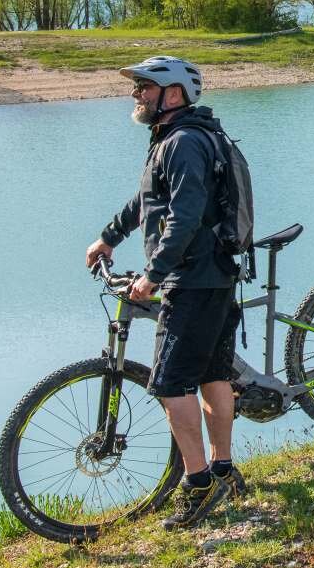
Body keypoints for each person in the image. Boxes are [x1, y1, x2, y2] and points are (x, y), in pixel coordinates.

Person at [83, 56, 246, 529]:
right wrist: (109, 237)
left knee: (171, 383)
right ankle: (222, 468)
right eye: (136, 87)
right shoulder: (176, 139)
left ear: (172, 94)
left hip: (191, 281)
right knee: (213, 374)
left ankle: (197, 486)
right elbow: (148, 200)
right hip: (212, 275)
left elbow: (186, 215)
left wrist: (154, 273)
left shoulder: (184, 142)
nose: (135, 95)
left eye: (143, 87)